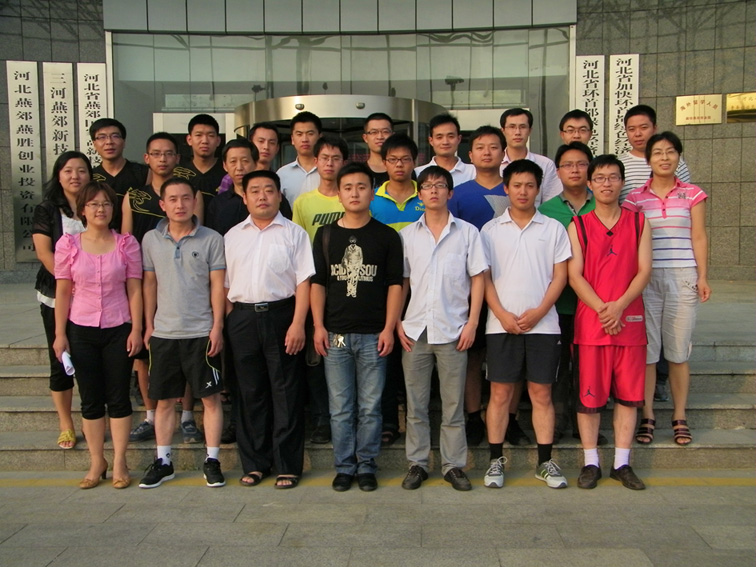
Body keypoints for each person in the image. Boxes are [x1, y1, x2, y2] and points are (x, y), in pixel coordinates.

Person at [311, 163, 403, 492]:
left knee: (370, 407)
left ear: (372, 193)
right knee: (340, 408)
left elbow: (395, 285)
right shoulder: (325, 235)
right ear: (338, 194)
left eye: (362, 187)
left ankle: (366, 465)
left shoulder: (387, 236)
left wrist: (389, 328)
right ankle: (344, 467)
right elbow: (318, 283)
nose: (354, 193)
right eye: (348, 187)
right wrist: (318, 326)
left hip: (374, 335)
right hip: (335, 335)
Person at [481, 159, 570, 489]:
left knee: (541, 393)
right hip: (499, 325)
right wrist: (502, 314)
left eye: (530, 185)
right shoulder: (490, 230)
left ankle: (545, 462)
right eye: (516, 185)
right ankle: (495, 461)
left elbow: (560, 277)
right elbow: (483, 278)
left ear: (538, 189)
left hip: (544, 326)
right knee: (500, 393)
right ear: (506, 188)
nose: (523, 191)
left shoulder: (553, 228)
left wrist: (540, 311)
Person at [397, 166, 488, 491]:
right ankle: (417, 464)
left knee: (453, 406)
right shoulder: (407, 235)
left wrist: (473, 322)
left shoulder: (467, 233)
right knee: (416, 406)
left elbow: (479, 278)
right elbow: (402, 283)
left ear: (450, 193)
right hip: (415, 331)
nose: (433, 190)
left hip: (454, 331)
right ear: (419, 194)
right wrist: (397, 322)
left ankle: (453, 466)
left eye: (439, 185)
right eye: (426, 186)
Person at [567, 154, 652, 491]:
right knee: (589, 398)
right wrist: (605, 310)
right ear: (590, 184)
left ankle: (621, 463)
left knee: (629, 397)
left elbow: (644, 270)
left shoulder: (639, 222)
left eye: (613, 177)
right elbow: (575, 275)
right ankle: (591, 461)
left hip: (630, 322)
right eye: (600, 178)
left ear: (622, 182)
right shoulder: (578, 225)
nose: (606, 183)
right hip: (592, 325)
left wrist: (619, 307)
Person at [225, 170, 314, 489]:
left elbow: (304, 281)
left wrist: (298, 324)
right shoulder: (232, 235)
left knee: (286, 393)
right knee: (250, 393)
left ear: (279, 195)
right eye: (255, 191)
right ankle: (255, 464)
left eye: (268, 190)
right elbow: (225, 285)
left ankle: (288, 466)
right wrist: (229, 324)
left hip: (282, 316)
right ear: (244, 197)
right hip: (242, 319)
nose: (262, 196)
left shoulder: (294, 234)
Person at [138, 178, 227, 489]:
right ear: (162, 204)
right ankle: (164, 461)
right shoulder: (150, 239)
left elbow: (218, 285)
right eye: (173, 199)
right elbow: (149, 284)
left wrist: (217, 326)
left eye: (186, 198)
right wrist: (149, 325)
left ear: (194, 201)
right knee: (163, 401)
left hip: (201, 331)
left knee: (210, 399)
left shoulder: (212, 238)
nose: (180, 204)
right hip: (164, 333)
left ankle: (212, 460)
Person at [623, 132, 711, 446]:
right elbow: (630, 241)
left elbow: (698, 236)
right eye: (658, 152)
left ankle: (679, 415)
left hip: (683, 277)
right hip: (646, 279)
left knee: (677, 352)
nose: (664, 157)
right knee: (648, 352)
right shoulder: (635, 199)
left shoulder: (693, 194)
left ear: (678, 157)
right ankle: (647, 415)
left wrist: (702, 276)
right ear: (648, 159)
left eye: (670, 152)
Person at [53, 181, 142, 489]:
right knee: (91, 399)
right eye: (93, 204)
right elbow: (63, 291)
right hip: (81, 328)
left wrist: (137, 328)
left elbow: (134, 289)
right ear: (82, 210)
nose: (100, 209)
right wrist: (60, 334)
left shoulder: (126, 244)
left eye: (106, 203)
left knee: (118, 396)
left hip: (119, 327)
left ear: (113, 209)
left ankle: (119, 462)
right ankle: (96, 461)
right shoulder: (68, 244)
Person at [447, 126, 526, 448]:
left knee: (512, 357)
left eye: (494, 146)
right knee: (472, 355)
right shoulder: (459, 194)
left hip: (514, 285)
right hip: (472, 289)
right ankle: (472, 416)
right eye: (480, 147)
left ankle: (511, 418)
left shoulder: (515, 188)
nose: (487, 152)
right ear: (470, 155)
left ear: (503, 152)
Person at [123, 132, 200, 445]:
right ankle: (151, 415)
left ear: (177, 158)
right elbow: (127, 240)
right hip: (146, 280)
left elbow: (199, 234)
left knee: (188, 352)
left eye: (169, 153)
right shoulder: (134, 196)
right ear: (147, 158)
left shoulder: (190, 193)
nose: (163, 159)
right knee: (144, 355)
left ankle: (187, 415)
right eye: (156, 153)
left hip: (186, 284)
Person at [538, 141, 600, 444]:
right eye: (567, 165)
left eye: (581, 164)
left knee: (590, 367)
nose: (574, 170)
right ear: (558, 171)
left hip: (597, 304)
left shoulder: (603, 204)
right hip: (559, 304)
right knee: (560, 366)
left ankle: (585, 424)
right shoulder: (546, 210)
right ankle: (559, 422)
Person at [32, 151, 92, 450]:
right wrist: (71, 285)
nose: (75, 176)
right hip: (57, 295)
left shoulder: (97, 205)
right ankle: (66, 423)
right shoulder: (47, 209)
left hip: (94, 300)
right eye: (68, 170)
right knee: (61, 357)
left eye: (81, 170)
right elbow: (45, 253)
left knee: (89, 360)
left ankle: (91, 419)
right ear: (58, 175)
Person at [291, 135, 349, 444]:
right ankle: (321, 418)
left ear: (344, 162)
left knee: (340, 352)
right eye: (324, 158)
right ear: (316, 162)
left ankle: (344, 415)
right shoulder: (304, 202)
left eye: (336, 158)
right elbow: (297, 248)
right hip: (315, 288)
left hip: (346, 292)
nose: (329, 163)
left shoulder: (350, 196)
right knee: (316, 355)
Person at [369, 132, 425, 446]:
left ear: (415, 161)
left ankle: (422, 419)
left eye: (405, 159)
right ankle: (389, 420)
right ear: (384, 162)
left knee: (422, 356)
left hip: (423, 289)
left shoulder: (426, 195)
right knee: (387, 355)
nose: (399, 165)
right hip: (383, 289)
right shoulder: (373, 199)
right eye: (393, 160)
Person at [619, 105, 691, 203]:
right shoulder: (618, 165)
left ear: (654, 128)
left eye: (644, 128)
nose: (637, 134)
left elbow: (686, 198)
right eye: (631, 129)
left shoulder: (673, 162)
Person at [90, 118, 150, 231]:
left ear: (124, 142)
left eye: (115, 136)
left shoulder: (143, 173)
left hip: (137, 236)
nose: (109, 142)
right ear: (94, 144)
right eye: (102, 137)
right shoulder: (91, 177)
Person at [499, 108, 561, 204]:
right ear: (503, 130)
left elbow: (551, 203)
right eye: (512, 127)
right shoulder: (493, 164)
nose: (517, 132)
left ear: (530, 130)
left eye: (523, 127)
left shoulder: (545, 164)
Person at [173, 113, 225, 212]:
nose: (204, 141)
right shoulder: (178, 172)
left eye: (210, 135)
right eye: (198, 135)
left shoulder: (227, 171)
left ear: (218, 141)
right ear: (189, 139)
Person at [217, 122, 281, 194]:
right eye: (261, 141)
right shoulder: (231, 178)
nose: (266, 147)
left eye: (272, 143)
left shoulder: (278, 178)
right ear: (251, 143)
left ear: (277, 148)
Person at [415, 113, 476, 187]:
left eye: (451, 136)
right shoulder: (417, 173)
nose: (445, 142)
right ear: (431, 141)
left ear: (459, 139)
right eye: (439, 137)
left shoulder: (474, 172)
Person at [276, 111, 322, 203]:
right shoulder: (282, 174)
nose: (304, 139)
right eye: (299, 134)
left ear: (320, 137)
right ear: (292, 139)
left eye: (310, 134)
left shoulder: (330, 171)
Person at [362, 112, 394, 187]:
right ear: (365, 138)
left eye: (385, 132)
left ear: (393, 136)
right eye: (374, 132)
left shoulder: (403, 170)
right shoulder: (359, 171)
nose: (380, 137)